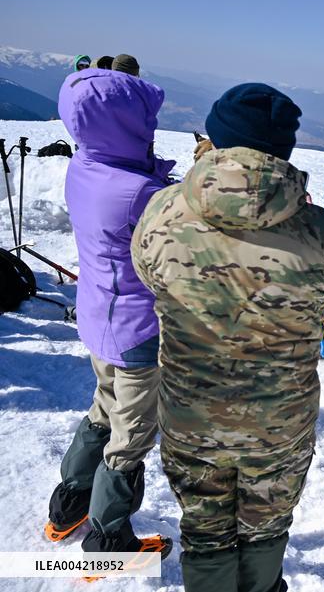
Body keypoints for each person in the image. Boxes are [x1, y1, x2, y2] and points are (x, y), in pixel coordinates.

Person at [132, 83, 324, 592]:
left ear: (218, 138)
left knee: (205, 531)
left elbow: (147, 274)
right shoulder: (323, 232)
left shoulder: (162, 210)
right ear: (283, 149)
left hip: (191, 414)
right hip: (278, 425)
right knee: (265, 528)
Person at [45, 68, 174, 556]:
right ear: (122, 124)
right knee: (132, 435)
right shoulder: (140, 195)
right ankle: (108, 540)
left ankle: (68, 504)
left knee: (104, 407)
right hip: (139, 329)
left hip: (100, 318)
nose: (152, 127)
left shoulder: (85, 166)